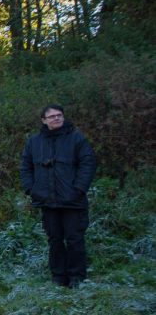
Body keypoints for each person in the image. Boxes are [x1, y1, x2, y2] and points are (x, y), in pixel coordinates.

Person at [19, 104, 97, 287]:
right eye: (52, 116)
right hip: (47, 200)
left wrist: (78, 189)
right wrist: (31, 189)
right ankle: (58, 277)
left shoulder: (77, 138)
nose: (56, 118)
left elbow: (88, 164)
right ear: (44, 120)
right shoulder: (34, 142)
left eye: (59, 115)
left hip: (73, 200)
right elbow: (25, 167)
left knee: (74, 239)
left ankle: (77, 277)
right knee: (54, 240)